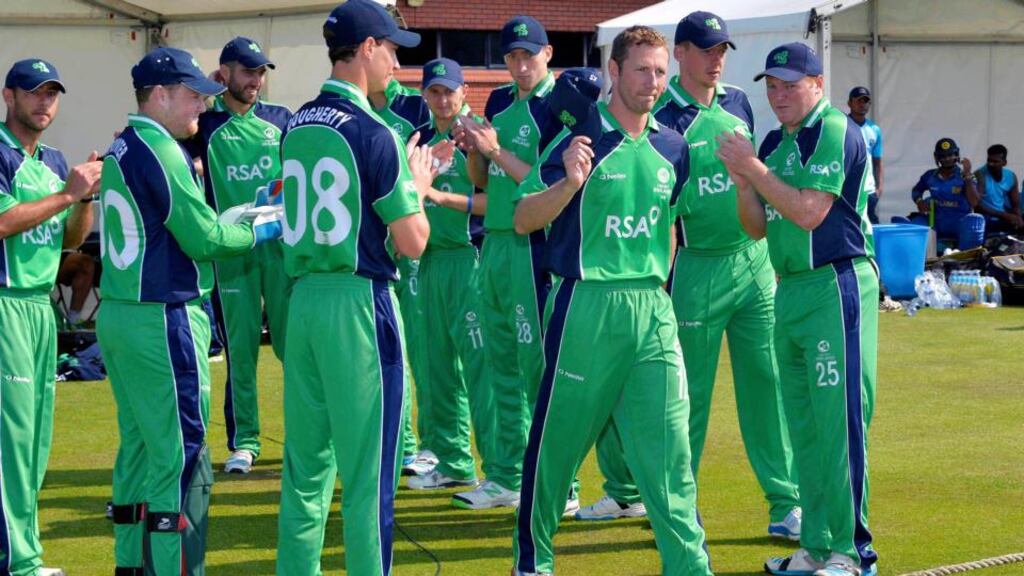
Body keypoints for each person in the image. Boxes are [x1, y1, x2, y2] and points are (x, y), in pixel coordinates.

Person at [575, 11, 802, 536]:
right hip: (696, 270)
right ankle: (679, 506)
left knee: (766, 387)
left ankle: (785, 503)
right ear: (680, 54)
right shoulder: (662, 115)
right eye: (705, 50)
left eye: (722, 50)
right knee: (684, 400)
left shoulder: (740, 103)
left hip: (754, 264)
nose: (716, 60)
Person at [510, 25, 711, 576]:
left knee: (670, 457)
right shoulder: (579, 141)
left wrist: (659, 289)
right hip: (585, 307)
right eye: (642, 70)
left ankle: (690, 566)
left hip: (652, 310)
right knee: (556, 451)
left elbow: (668, 224)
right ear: (615, 73)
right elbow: (523, 217)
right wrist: (568, 186)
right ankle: (532, 562)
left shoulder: (674, 146)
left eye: (660, 72)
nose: (653, 82)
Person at [97, 46, 281, 575]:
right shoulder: (160, 149)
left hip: (122, 314)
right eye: (192, 95)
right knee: (183, 453)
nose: (202, 105)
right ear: (158, 95)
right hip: (162, 316)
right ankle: (177, 569)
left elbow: (181, 225)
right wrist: (261, 226)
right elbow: (203, 239)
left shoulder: (124, 147)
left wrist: (239, 216)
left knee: (138, 446)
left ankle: (131, 565)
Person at [273, 1, 432, 574]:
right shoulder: (376, 132)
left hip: (305, 301)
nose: (395, 62)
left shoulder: (293, 123)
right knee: (370, 470)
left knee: (306, 468)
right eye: (391, 49)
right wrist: (417, 184)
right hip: (358, 304)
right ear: (367, 48)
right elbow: (413, 241)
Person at [717, 42, 879, 576]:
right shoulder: (772, 142)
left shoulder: (834, 129)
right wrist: (745, 181)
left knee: (839, 423)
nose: (779, 94)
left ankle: (853, 554)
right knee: (804, 427)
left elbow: (809, 213)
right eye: (772, 84)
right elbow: (757, 226)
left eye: (790, 84)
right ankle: (815, 546)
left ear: (817, 83)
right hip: (789, 289)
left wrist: (754, 169)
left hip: (835, 285)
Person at [452, 14, 561, 512]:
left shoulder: (562, 105)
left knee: (536, 368)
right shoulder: (498, 101)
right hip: (492, 243)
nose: (519, 66)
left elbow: (550, 182)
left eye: (528, 55)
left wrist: (496, 151)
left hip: (532, 244)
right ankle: (504, 475)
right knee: (500, 368)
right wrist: (474, 148)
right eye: (512, 57)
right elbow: (480, 178)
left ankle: (557, 484)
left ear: (548, 53)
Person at [0, 57, 102, 576]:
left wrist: (83, 199)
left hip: (40, 307)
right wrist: (66, 192)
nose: (44, 103)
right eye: (34, 92)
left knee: (36, 438)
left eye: (52, 94)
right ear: (8, 96)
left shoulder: (53, 158)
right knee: (12, 438)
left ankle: (25, 552)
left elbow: (68, 241)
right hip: (5, 301)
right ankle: (18, 560)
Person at [185, 36, 293, 475]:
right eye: (247, 71)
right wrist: (209, 93)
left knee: (296, 349)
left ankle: (306, 434)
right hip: (231, 254)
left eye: (261, 71)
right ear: (224, 72)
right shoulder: (205, 127)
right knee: (241, 353)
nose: (256, 80)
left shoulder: (282, 120)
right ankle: (245, 442)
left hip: (282, 251)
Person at [404, 57, 496, 491]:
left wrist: (439, 197)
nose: (442, 99)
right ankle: (451, 460)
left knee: (481, 369)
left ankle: (500, 469)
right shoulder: (420, 139)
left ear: (464, 92)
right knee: (435, 365)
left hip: (469, 260)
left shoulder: (477, 135)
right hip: (430, 261)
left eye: (449, 91)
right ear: (425, 94)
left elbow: (497, 203)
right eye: (434, 91)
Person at [367, 70, 435, 478]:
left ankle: (409, 445)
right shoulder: (354, 112)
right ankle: (398, 444)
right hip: (372, 254)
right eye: (389, 51)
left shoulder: (413, 107)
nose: (394, 63)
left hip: (407, 247)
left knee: (409, 353)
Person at [910, 138, 985, 250]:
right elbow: (916, 190)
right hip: (936, 223)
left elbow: (974, 202)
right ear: (937, 158)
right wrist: (919, 201)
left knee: (975, 221)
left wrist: (967, 175)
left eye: (951, 155)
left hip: (959, 224)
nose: (947, 159)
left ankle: (965, 258)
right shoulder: (930, 175)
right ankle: (928, 256)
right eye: (943, 156)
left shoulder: (967, 176)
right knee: (916, 224)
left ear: (957, 155)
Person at [847, 87, 883, 224]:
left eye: (866, 101)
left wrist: (879, 188)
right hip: (847, 187)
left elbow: (878, 161)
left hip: (869, 188)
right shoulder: (842, 125)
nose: (862, 104)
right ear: (849, 103)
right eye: (858, 101)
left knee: (870, 224)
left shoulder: (874, 129)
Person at [975, 144, 1023, 236]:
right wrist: (1004, 215)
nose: (990, 164)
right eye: (989, 160)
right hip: (985, 219)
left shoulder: (1011, 176)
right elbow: (976, 205)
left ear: (1004, 162)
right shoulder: (979, 175)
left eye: (995, 161)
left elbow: (1015, 205)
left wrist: (1018, 219)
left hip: (1002, 218)